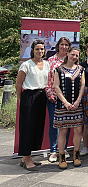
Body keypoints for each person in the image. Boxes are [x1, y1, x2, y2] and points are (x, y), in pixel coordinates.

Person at [16, 40, 49, 171]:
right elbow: (18, 84)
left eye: (42, 49)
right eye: (37, 49)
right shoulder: (26, 65)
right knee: (27, 127)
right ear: (32, 50)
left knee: (37, 127)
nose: (40, 51)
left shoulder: (46, 64)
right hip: (29, 96)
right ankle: (26, 157)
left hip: (42, 96)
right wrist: (20, 101)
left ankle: (25, 158)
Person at [53, 47, 85, 169]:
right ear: (68, 54)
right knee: (63, 131)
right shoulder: (58, 70)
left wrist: (77, 101)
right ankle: (61, 156)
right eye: (72, 54)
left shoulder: (81, 69)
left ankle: (76, 155)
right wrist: (65, 102)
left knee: (78, 131)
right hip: (63, 105)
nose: (74, 57)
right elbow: (57, 87)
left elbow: (82, 85)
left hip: (77, 105)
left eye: (77, 55)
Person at [46, 37, 71, 163]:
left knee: (66, 124)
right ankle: (53, 151)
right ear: (58, 46)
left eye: (66, 45)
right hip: (54, 98)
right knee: (54, 125)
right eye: (62, 44)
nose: (64, 47)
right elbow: (47, 79)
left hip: (69, 99)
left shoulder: (72, 60)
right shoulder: (51, 61)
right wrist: (50, 94)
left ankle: (64, 149)